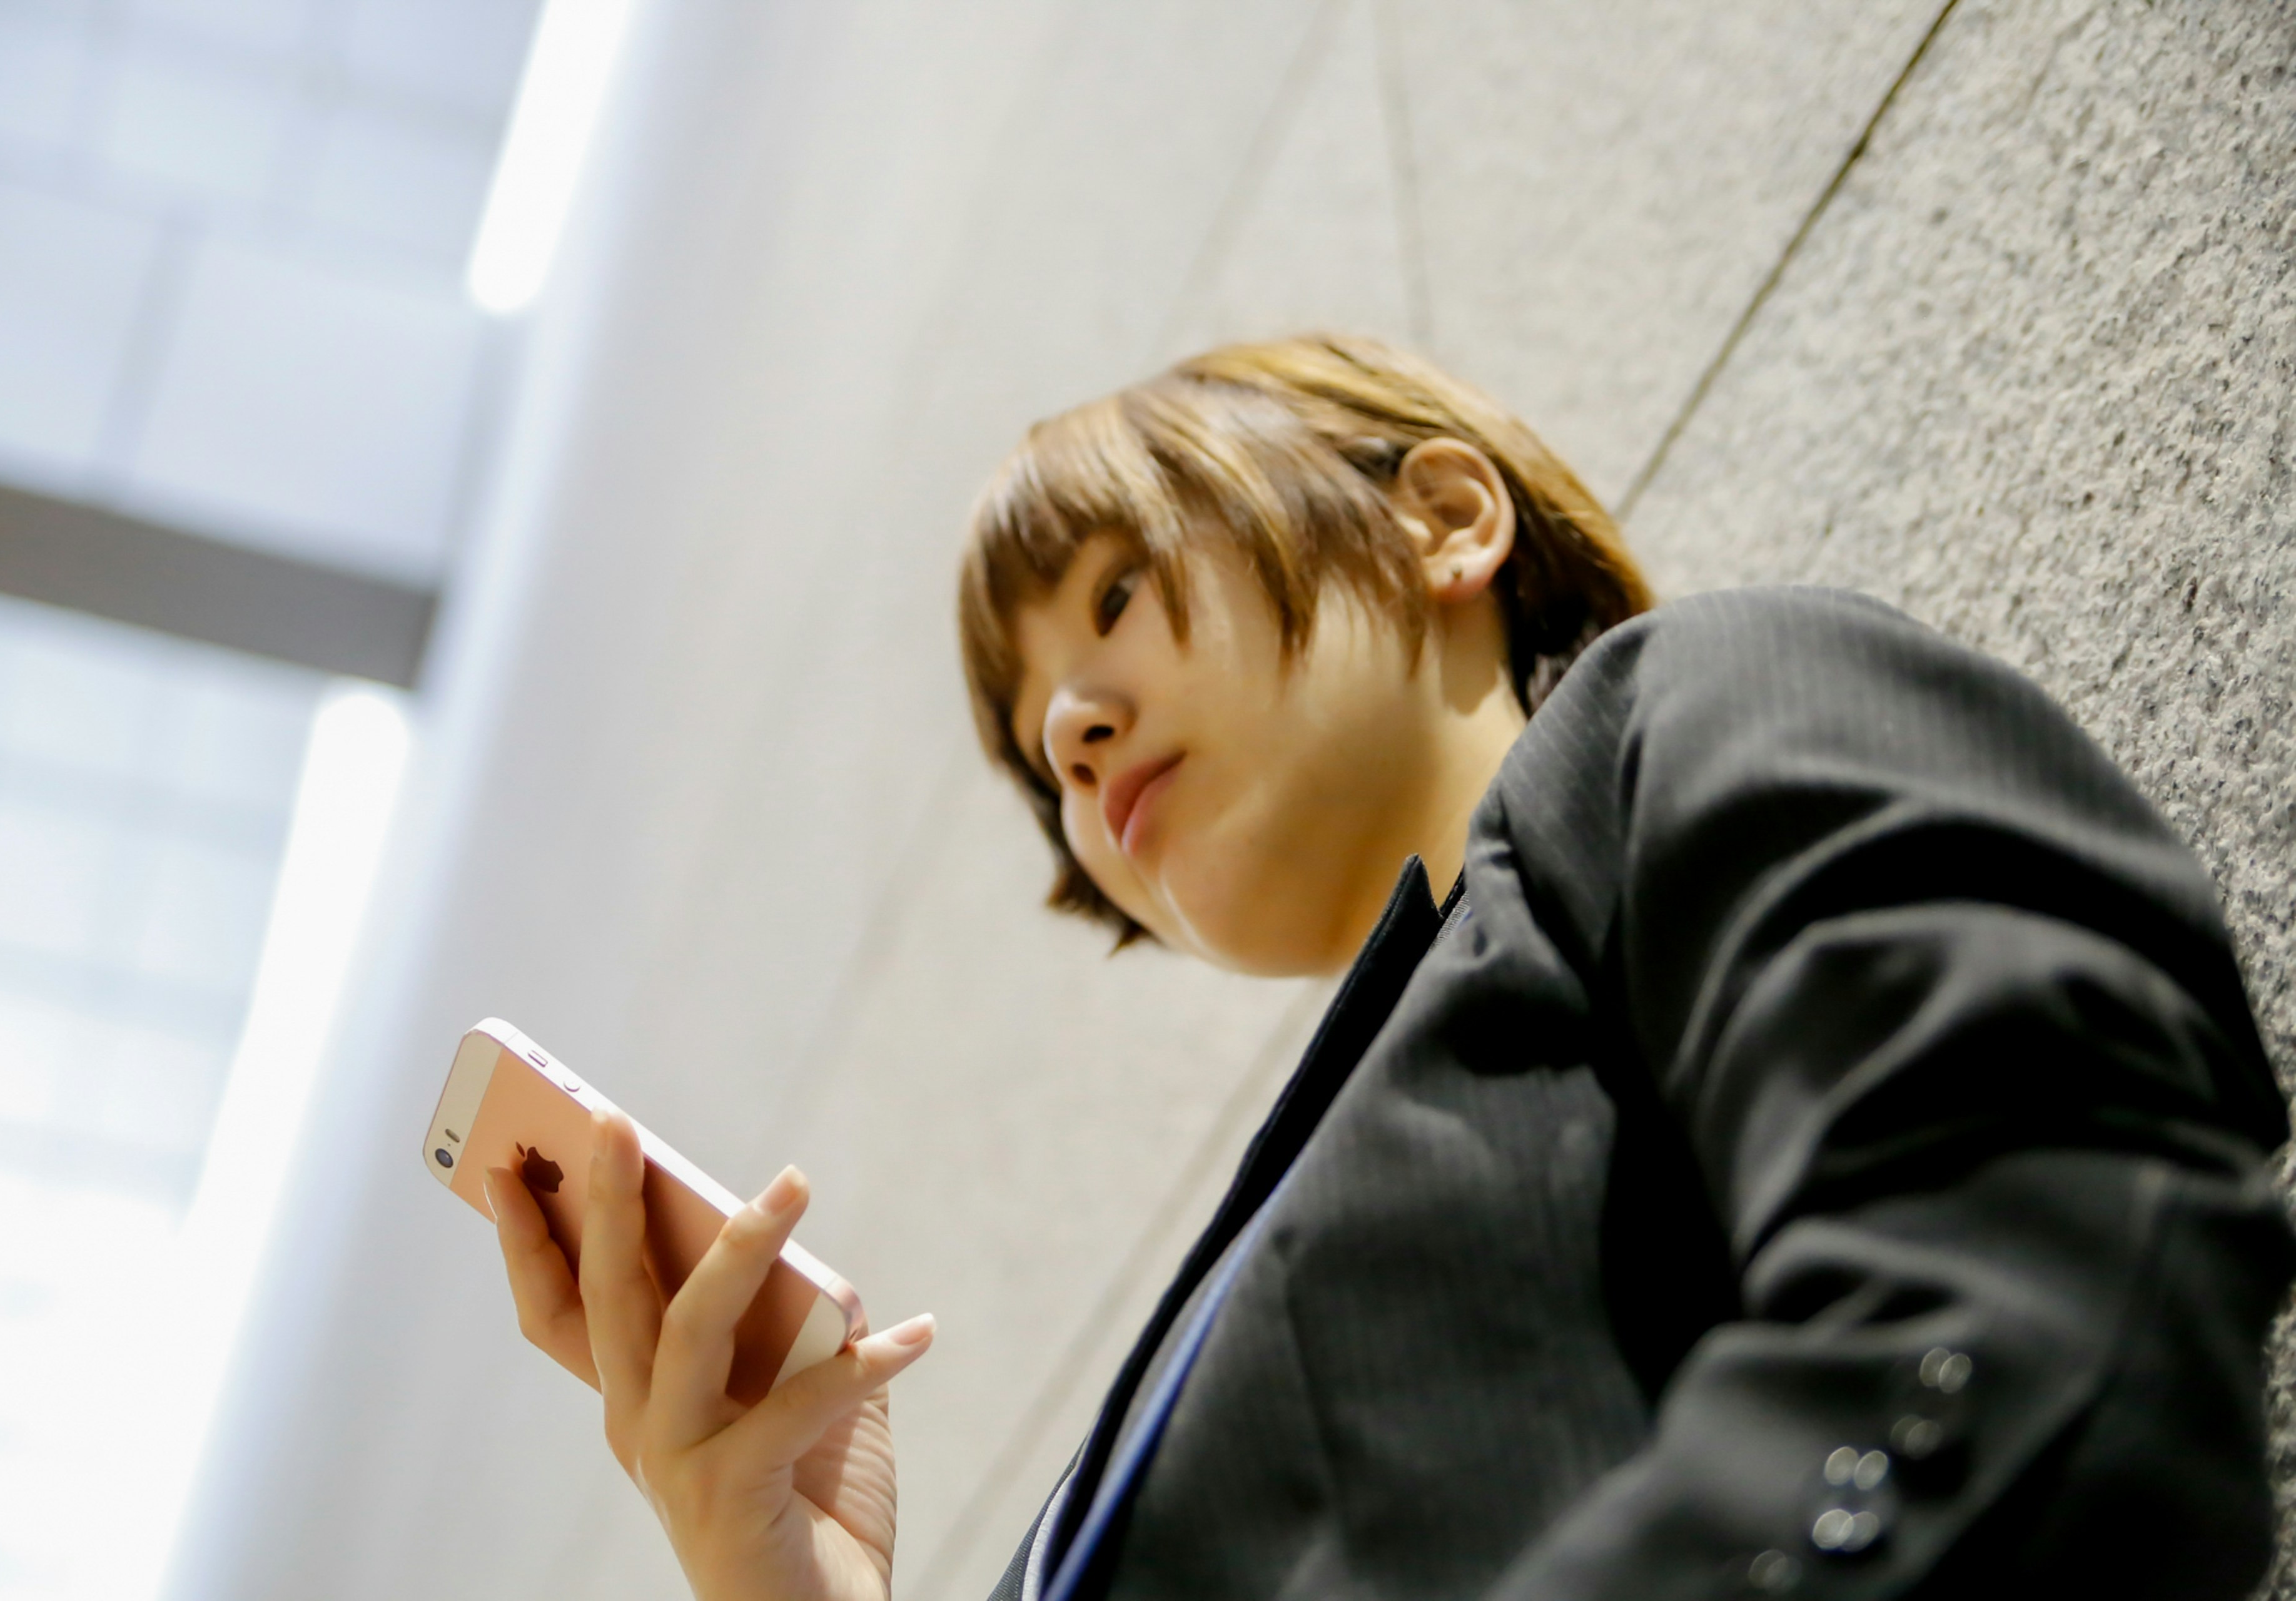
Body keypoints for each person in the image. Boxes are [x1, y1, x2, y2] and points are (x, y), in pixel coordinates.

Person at [484, 335, 2293, 1600]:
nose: (1074, 725)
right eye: (1044, 752)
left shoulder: (1691, 717)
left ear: (1441, 520)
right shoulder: (1232, 1289)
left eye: (1112, 599)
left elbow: (2034, 1288)